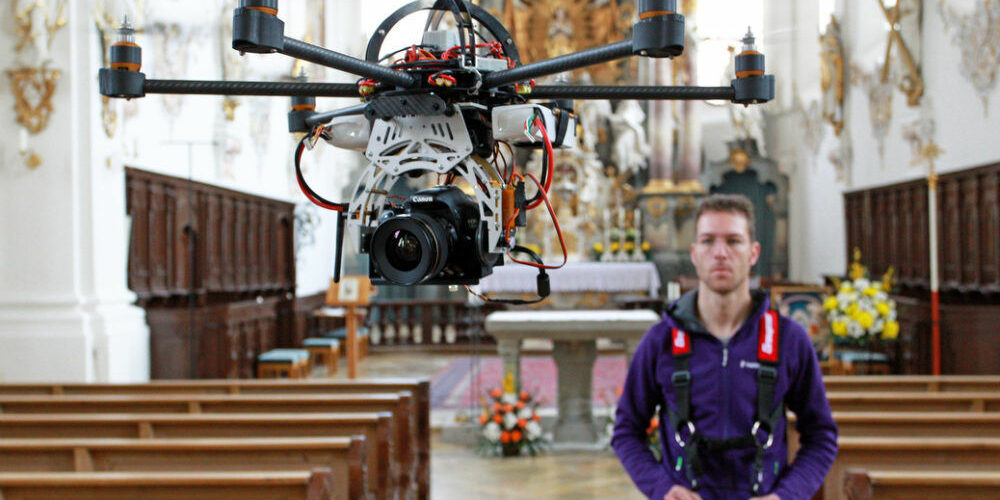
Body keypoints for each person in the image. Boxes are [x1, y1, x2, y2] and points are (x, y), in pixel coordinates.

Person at [612, 194, 837, 500]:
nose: (720, 253)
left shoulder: (789, 340)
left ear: (754, 252)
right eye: (708, 241)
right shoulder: (661, 340)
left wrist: (787, 496)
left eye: (733, 241)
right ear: (694, 253)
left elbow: (821, 436)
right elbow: (626, 432)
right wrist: (661, 489)